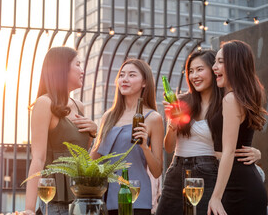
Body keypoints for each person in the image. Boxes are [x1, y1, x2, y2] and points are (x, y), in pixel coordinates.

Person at [156, 50, 261, 215]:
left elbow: (231, 143)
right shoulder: (181, 101)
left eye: (199, 69)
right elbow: (168, 147)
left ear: (213, 70)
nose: (194, 76)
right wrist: (172, 125)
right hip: (176, 170)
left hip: (207, 172)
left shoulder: (225, 104)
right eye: (190, 71)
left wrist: (256, 152)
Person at [24, 47, 97, 215]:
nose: (82, 70)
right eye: (77, 64)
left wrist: (94, 132)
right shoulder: (44, 103)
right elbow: (38, 158)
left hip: (82, 197)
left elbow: (83, 155)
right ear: (62, 69)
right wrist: (28, 209)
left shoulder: (79, 105)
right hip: (56, 200)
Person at [90, 59, 164, 215]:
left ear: (144, 82)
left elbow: (157, 171)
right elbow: (93, 160)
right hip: (105, 199)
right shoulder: (108, 117)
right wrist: (92, 135)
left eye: (131, 75)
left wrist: (144, 147)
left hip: (137, 199)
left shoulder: (153, 118)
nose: (124, 79)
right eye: (122, 75)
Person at [208, 40, 267, 215]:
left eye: (220, 62)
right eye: (214, 61)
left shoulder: (231, 99)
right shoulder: (239, 97)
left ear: (235, 64)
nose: (214, 67)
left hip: (237, 186)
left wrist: (216, 197)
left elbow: (228, 151)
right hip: (240, 182)